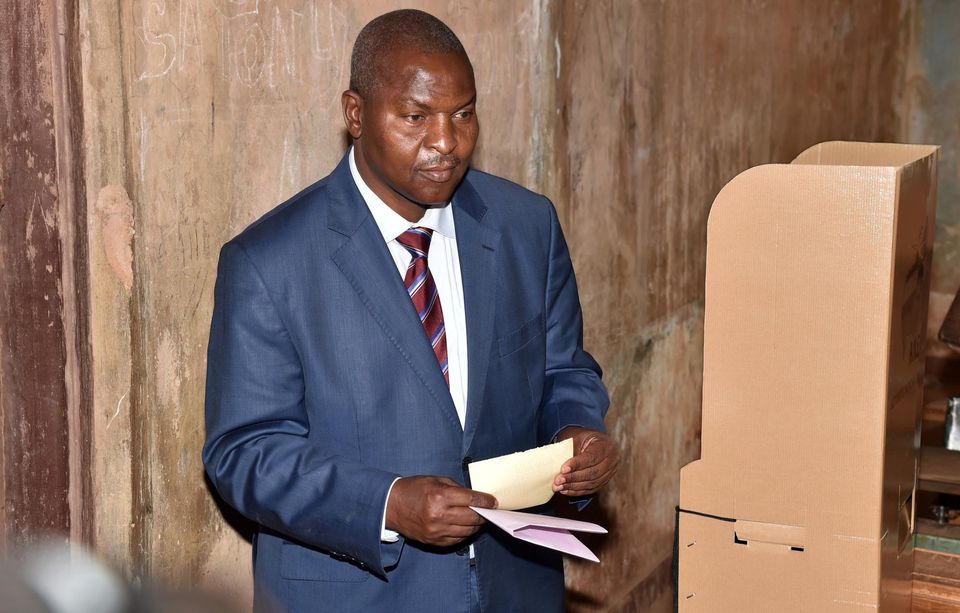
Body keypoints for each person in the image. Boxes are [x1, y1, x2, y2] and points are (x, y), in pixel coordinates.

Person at [203, 9, 618, 613]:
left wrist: (579, 432)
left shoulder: (527, 226)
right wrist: (388, 504)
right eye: (415, 117)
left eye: (463, 114)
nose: (446, 142)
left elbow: (564, 370)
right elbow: (243, 450)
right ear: (356, 114)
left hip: (514, 588)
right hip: (357, 596)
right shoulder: (270, 262)